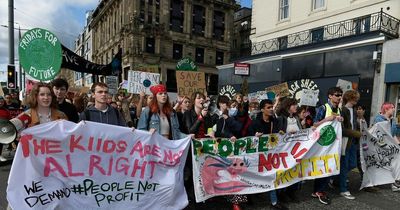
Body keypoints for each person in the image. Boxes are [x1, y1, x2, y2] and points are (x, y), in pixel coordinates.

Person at [248, 99, 287, 210]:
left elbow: (277, 134)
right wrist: (254, 136)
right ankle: (250, 195)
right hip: (257, 156)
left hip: (271, 155)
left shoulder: (274, 121)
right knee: (255, 177)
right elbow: (247, 137)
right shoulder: (255, 123)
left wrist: (280, 133)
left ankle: (274, 202)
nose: (271, 109)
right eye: (268, 108)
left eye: (271, 107)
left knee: (272, 177)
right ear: (262, 110)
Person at [312, 87, 344, 205]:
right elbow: (314, 125)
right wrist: (327, 119)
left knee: (330, 165)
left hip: (333, 144)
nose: (339, 97)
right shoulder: (323, 108)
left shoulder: (338, 109)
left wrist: (340, 119)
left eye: (340, 95)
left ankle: (319, 190)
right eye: (336, 95)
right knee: (323, 166)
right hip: (323, 144)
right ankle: (318, 191)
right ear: (330, 96)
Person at [337, 90, 362, 199]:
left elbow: (355, 126)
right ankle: (343, 189)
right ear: (350, 98)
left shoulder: (355, 110)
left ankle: (335, 178)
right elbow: (342, 129)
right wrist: (357, 134)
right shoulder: (343, 110)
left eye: (356, 97)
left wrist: (361, 118)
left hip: (353, 142)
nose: (356, 99)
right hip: (345, 142)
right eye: (354, 97)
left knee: (353, 164)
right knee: (344, 165)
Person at [373, 102, 400, 192]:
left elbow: (393, 135)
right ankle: (394, 182)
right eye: (392, 107)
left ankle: (395, 182)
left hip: (390, 146)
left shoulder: (393, 120)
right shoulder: (378, 119)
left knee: (397, 158)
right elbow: (378, 135)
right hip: (381, 146)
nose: (394, 109)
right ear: (386, 109)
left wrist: (398, 144)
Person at [0, 96, 11, 162]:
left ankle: (0, 155)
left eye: (1, 102)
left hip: (2, 129)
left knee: (0, 143)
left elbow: (9, 119)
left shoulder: (6, 110)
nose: (0, 103)